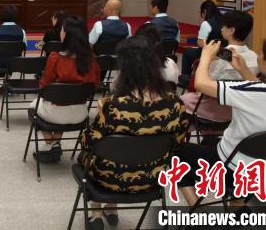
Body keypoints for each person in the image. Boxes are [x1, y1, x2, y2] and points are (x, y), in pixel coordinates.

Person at [80, 36, 188, 230]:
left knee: (91, 155)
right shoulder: (175, 104)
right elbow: (178, 143)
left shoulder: (113, 105)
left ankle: (96, 212)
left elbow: (89, 142)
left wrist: (100, 115)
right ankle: (111, 208)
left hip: (110, 179)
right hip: (152, 179)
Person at [177, 36, 266, 208]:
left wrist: (206, 56)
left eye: (261, 54)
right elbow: (265, 93)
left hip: (235, 174)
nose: (258, 56)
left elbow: (201, 84)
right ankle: (238, 206)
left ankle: (197, 212)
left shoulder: (250, 91)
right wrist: (243, 70)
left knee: (176, 152)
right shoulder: (265, 93)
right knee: (211, 143)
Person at [30, 16, 100, 163]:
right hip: (81, 114)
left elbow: (44, 87)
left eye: (62, 30)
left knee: (33, 107)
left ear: (66, 34)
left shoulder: (55, 58)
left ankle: (51, 143)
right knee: (64, 98)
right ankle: (56, 143)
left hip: (56, 113)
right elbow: (95, 85)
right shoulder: (91, 61)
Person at [180, 10, 258, 123]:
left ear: (232, 30)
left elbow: (203, 86)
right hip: (240, 110)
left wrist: (206, 58)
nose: (221, 29)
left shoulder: (218, 57)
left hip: (215, 108)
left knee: (180, 101)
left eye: (224, 26)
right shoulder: (254, 56)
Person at [180, 0, 222, 78]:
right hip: (222, 53)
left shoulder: (206, 23)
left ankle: (185, 79)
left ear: (205, 11)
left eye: (201, 12)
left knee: (187, 53)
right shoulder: (223, 21)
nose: (201, 15)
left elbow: (200, 43)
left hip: (208, 54)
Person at [0, 5, 27, 93]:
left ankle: (5, 84)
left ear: (2, 16)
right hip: (17, 63)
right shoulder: (22, 31)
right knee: (11, 58)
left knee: (4, 58)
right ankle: (7, 83)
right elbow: (24, 46)